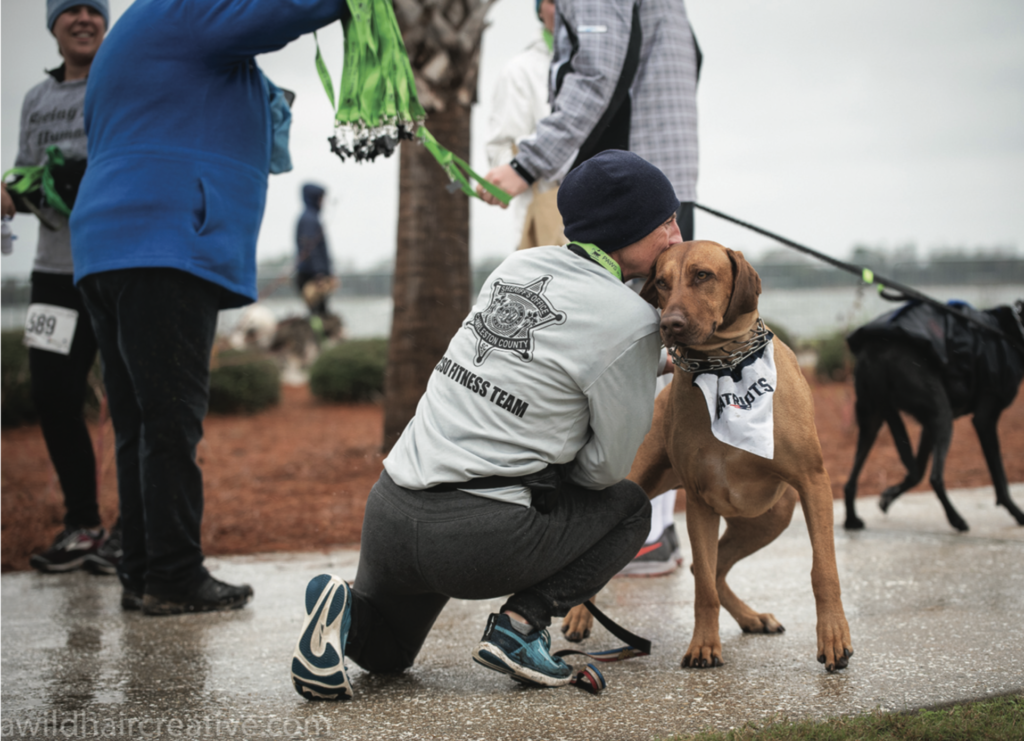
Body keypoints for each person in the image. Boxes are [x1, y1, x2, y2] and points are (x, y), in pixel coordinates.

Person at [291, 150, 682, 700]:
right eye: (663, 220)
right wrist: (638, 377)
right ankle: (520, 629)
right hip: (478, 539)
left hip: (392, 510)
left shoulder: (517, 267)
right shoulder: (633, 324)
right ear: (628, 230)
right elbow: (604, 472)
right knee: (628, 508)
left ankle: (343, 609)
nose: (675, 232)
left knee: (387, 656)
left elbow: (536, 362)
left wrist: (639, 371)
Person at [69, 0, 346, 615]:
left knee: (141, 421)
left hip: (110, 244)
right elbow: (287, 13)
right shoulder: (184, 9)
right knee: (170, 420)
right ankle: (172, 575)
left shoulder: (140, 29)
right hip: (161, 240)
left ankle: (143, 571)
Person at [480, 0, 701, 575]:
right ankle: (658, 528)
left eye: (548, 12)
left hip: (630, 202)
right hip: (664, 184)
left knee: (627, 351)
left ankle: (640, 532)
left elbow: (597, 70)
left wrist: (528, 164)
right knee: (658, 353)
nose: (549, 20)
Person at [1, 0, 123, 576]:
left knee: (135, 402)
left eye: (93, 10)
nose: (82, 18)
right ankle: (82, 526)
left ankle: (135, 533)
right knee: (52, 395)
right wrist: (11, 193)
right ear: (52, 25)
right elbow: (27, 175)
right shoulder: (35, 100)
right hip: (53, 272)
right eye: (68, 10)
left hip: (118, 265)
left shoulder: (123, 80)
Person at [484, 0, 564, 250]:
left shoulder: (605, 66)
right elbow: (501, 150)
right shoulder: (520, 72)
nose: (564, 7)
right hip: (546, 223)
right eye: (553, 1)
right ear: (539, 10)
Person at [295, 183, 334, 319]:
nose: (323, 202)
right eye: (321, 198)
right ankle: (318, 336)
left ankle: (317, 337)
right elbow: (311, 249)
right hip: (311, 276)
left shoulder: (310, 218)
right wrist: (320, 273)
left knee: (317, 311)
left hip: (311, 274)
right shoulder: (309, 220)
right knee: (317, 312)